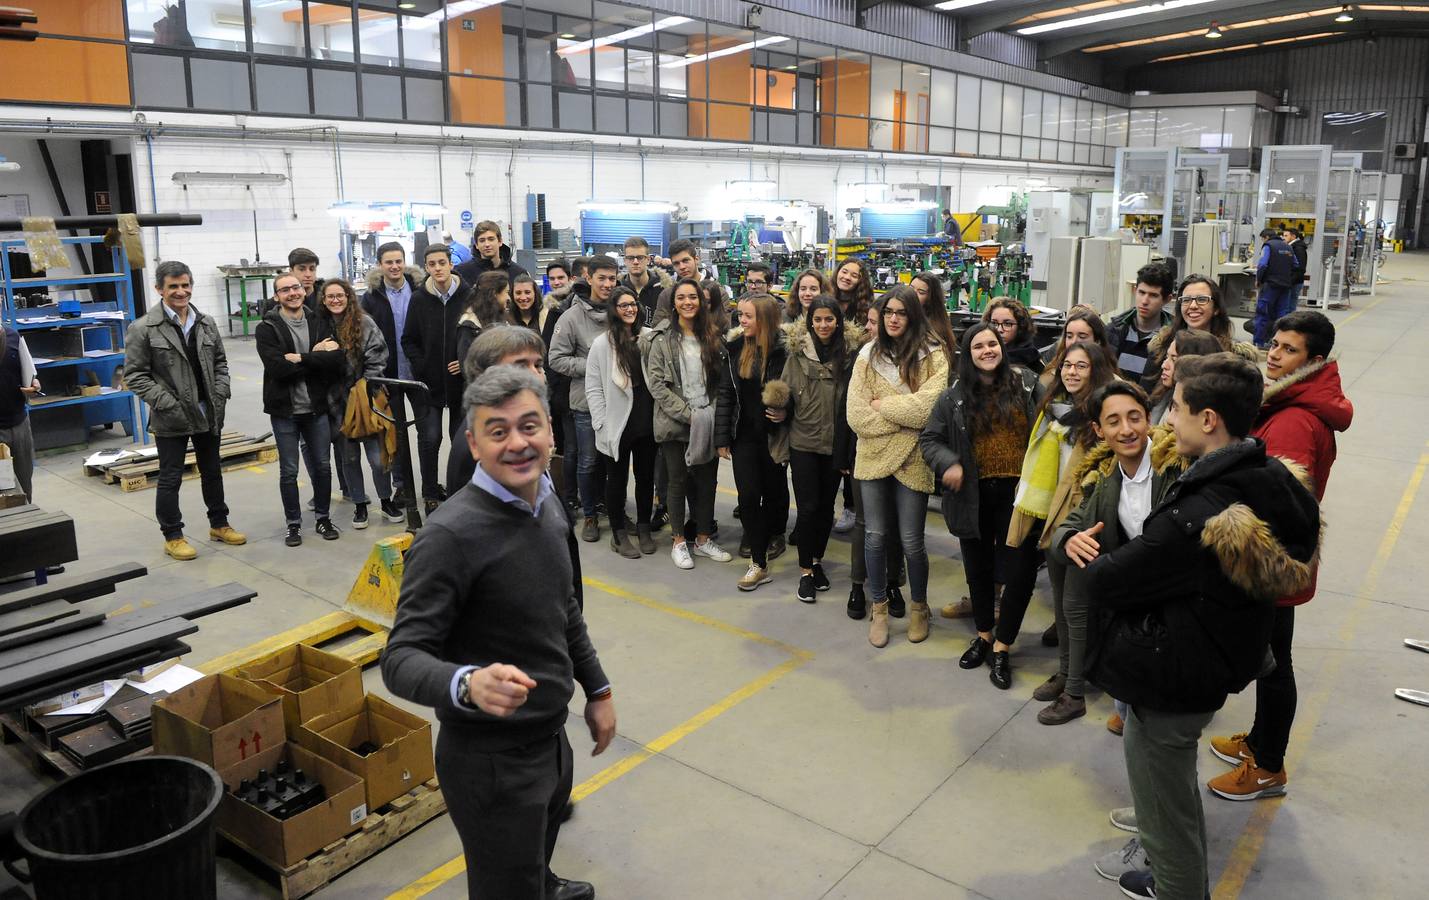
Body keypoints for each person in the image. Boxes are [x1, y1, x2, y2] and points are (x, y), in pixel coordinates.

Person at [1076, 352, 1320, 900]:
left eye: (1178, 410)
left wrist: (1088, 554)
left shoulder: (1201, 510)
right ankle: (1171, 875)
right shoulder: (1268, 476)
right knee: (1172, 789)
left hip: (1177, 673)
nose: (1167, 421)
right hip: (1217, 654)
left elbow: (1112, 580)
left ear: (1209, 420)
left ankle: (1178, 888)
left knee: (1163, 800)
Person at [380, 365, 613, 900]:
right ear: (473, 442)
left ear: (551, 431)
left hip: (550, 740)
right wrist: (466, 683)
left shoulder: (546, 502)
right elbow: (401, 658)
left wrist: (597, 689)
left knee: (535, 857)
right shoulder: (449, 536)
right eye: (498, 431)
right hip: (491, 764)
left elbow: (564, 610)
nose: (518, 443)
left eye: (529, 426)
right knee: (503, 885)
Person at [1205, 311, 1352, 802]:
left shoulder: (1294, 419)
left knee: (1273, 663)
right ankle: (1260, 741)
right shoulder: (1292, 400)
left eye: (1288, 350)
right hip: (1284, 560)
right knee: (1273, 658)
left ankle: (1269, 765)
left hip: (1275, 563)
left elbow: (1276, 504)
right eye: (1274, 343)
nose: (1273, 354)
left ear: (1314, 361)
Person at [1048, 383, 1189, 884]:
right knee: (1135, 731)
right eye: (1114, 421)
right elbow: (1075, 522)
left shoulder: (1175, 468)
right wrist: (1070, 541)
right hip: (1137, 626)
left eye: (1135, 416)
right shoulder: (1106, 473)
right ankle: (1152, 815)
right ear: (1100, 431)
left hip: (1174, 627)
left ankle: (1160, 851)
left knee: (1156, 743)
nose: (1127, 429)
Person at [921, 322, 1043, 670]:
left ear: (1002, 349)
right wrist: (949, 464)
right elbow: (930, 440)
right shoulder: (953, 397)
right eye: (979, 346)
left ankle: (1003, 645)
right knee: (978, 569)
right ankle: (985, 635)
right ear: (968, 354)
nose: (987, 350)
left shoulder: (1027, 386)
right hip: (973, 494)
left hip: (1018, 496)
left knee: (1018, 571)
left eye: (993, 344)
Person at [1002, 340, 1116, 689]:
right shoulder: (1052, 410)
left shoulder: (1101, 416)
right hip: (1052, 518)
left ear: (1095, 370)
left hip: (1084, 521)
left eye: (1081, 366)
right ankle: (1066, 672)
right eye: (1067, 365)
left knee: (1077, 608)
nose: (1072, 372)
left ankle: (1075, 685)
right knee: (1064, 607)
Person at [122, 261, 246, 559]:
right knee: (170, 476)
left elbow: (220, 363)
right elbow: (135, 376)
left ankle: (219, 524)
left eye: (185, 285)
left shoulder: (206, 322)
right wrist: (167, 403)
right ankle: (173, 535)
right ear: (159, 289)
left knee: (212, 470)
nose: (181, 291)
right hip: (171, 416)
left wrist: (220, 392)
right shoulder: (143, 328)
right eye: (173, 286)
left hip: (208, 411)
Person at [846, 286, 948, 648]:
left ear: (913, 316)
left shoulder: (934, 355)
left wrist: (882, 406)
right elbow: (856, 415)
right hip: (872, 456)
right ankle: (880, 609)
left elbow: (927, 410)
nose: (892, 318)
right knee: (874, 537)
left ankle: (919, 607)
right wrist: (903, 416)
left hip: (914, 459)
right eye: (888, 311)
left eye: (901, 312)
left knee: (911, 542)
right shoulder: (866, 356)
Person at [641, 277, 732, 570]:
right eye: (681, 298)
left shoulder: (712, 336)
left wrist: (711, 414)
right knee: (677, 482)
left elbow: (721, 381)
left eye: (692, 297)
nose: (688, 302)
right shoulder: (661, 338)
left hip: (707, 419)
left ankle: (703, 539)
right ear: (673, 302)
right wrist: (687, 414)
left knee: (707, 483)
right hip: (676, 422)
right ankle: (679, 541)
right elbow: (656, 384)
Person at [779, 296, 861, 603]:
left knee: (827, 509)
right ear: (809, 322)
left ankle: (816, 561)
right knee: (808, 508)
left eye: (829, 319)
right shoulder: (797, 355)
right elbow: (785, 394)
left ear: (838, 321)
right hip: (804, 442)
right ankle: (805, 572)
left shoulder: (852, 357)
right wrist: (776, 408)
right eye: (818, 320)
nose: (824, 325)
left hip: (836, 445)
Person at [256, 271, 345, 547]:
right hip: (285, 410)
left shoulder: (319, 321)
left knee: (322, 466)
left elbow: (337, 361)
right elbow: (278, 369)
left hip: (316, 408)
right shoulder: (267, 328)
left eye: (296, 288)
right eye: (285, 290)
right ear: (276, 296)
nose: (292, 293)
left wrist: (301, 358)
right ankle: (293, 524)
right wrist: (315, 358)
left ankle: (323, 517)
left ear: (303, 291)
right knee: (289, 471)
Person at [837, 304, 906, 620]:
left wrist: (888, 409)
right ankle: (857, 585)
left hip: (902, 454)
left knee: (893, 525)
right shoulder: (860, 359)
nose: (872, 327)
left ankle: (893, 584)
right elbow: (849, 411)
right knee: (866, 524)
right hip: (862, 452)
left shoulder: (911, 361)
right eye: (870, 321)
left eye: (875, 322)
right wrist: (843, 455)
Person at [717, 295, 790, 591]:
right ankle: (758, 563)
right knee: (748, 496)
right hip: (744, 435)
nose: (741, 321)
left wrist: (787, 411)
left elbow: (798, 393)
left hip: (774, 437)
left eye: (747, 316)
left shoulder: (786, 352)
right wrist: (722, 437)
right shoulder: (735, 349)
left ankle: (775, 535)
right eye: (740, 315)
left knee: (773, 493)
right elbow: (726, 394)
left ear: (765, 320)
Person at [320, 278, 400, 529]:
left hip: (366, 398)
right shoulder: (320, 326)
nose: (335, 300)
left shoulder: (364, 323)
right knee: (349, 457)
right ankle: (359, 505)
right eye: (330, 296)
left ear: (348, 297)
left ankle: (386, 500)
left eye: (340, 295)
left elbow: (379, 355)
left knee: (378, 457)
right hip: (336, 403)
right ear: (323, 300)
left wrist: (364, 387)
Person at [586, 286, 658, 559]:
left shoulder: (649, 337)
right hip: (616, 424)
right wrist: (600, 422)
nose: (630, 309)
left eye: (633, 304)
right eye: (623, 305)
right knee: (616, 480)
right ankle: (618, 533)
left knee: (645, 478)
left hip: (646, 421)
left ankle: (643, 528)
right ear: (613, 310)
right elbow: (593, 387)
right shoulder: (603, 344)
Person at [550, 256, 618, 542]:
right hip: (585, 403)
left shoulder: (622, 311)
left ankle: (613, 510)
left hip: (619, 403)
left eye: (612, 279)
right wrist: (593, 365)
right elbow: (555, 359)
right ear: (588, 278)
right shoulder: (570, 317)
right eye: (601, 278)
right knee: (588, 462)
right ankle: (589, 515)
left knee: (614, 461)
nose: (607, 284)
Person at [403, 244, 474, 514]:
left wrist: (466, 360)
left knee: (460, 441)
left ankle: (460, 493)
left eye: (442, 262)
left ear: (451, 264)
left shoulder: (469, 295)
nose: (437, 268)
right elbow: (408, 339)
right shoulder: (419, 299)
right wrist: (423, 367)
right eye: (431, 264)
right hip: (428, 386)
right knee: (430, 439)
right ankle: (430, 492)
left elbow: (480, 334)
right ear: (426, 268)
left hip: (461, 385)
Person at [362, 242, 422, 502]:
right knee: (395, 433)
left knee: (428, 432)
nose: (395, 266)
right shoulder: (372, 296)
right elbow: (366, 337)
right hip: (388, 375)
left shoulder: (420, 288)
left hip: (418, 373)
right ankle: (402, 485)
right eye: (389, 262)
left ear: (404, 261)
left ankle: (430, 483)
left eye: (398, 261)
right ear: (380, 265)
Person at [1148, 275, 1259, 371]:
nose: (1193, 306)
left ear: (1216, 308)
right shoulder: (1162, 347)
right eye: (1186, 300)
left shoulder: (1234, 357)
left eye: (1202, 299)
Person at [1107, 264, 1176, 382]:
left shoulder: (1173, 338)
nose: (1144, 301)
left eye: (1153, 295)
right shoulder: (1113, 330)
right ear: (1135, 291)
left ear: (1167, 300)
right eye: (1141, 292)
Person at [0, 324, 40, 503]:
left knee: (24, 483)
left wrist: (34, 384)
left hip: (19, 423)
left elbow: (25, 373)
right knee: (4, 487)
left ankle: (26, 524)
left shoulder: (13, 336)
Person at [1147, 329, 1220, 424]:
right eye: (1166, 357)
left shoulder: (1201, 412)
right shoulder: (1165, 395)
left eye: (1174, 359)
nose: (1164, 365)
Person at [454, 271, 511, 384]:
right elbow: (468, 369)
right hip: (484, 393)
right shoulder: (469, 326)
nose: (508, 297)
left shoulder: (502, 319)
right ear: (495, 293)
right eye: (506, 292)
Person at [1252, 229, 1298, 348]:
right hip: (1285, 286)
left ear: (1266, 237)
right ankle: (1278, 344)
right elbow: (1295, 264)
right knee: (1282, 316)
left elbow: (1262, 265)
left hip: (1270, 285)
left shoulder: (1268, 246)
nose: (1263, 241)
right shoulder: (1288, 247)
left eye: (1263, 238)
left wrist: (1259, 279)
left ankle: (1259, 343)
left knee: (1263, 313)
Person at [455, 219, 529, 287]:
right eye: (482, 240)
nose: (487, 244)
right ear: (476, 245)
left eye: (491, 239)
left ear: (500, 241)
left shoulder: (518, 273)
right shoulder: (462, 272)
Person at [910, 271, 957, 377]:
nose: (912, 294)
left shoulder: (934, 333)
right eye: (911, 288)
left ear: (930, 299)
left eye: (921, 292)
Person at [983, 298, 1043, 375]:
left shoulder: (1031, 358)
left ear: (1021, 327)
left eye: (1007, 324)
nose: (999, 329)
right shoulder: (981, 354)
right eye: (994, 323)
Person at [651, 239, 703, 323]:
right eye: (676, 263)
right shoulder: (667, 295)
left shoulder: (715, 291)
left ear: (696, 259)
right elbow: (658, 327)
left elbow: (722, 326)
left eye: (685, 261)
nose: (682, 267)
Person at [620, 236, 669, 327]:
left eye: (640, 257)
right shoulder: (618, 290)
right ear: (625, 261)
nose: (635, 262)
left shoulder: (664, 289)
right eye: (630, 258)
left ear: (648, 260)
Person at [831, 258, 875, 326]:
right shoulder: (824, 299)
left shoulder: (867, 307)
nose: (847, 277)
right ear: (837, 273)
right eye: (844, 272)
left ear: (861, 281)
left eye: (854, 276)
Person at [1282, 229, 1308, 308]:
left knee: (1289, 306)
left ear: (1293, 236)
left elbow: (1300, 267)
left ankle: (1289, 320)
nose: (1283, 238)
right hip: (1292, 280)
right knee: (1288, 306)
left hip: (1294, 282)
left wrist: (1290, 281)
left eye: (1286, 236)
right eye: (1283, 235)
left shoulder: (1298, 248)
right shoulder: (1292, 247)